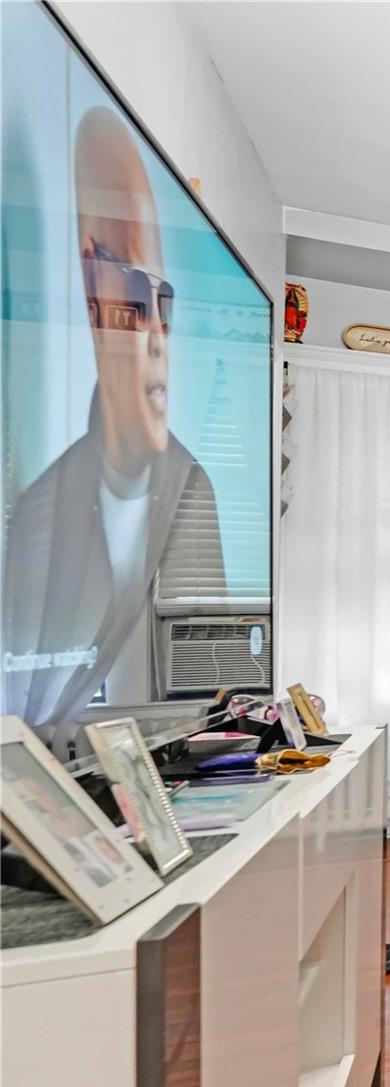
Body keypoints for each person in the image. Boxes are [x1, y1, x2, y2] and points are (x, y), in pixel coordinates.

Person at [3, 106, 223, 728]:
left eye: (166, 305)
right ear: (91, 288)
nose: (157, 336)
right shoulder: (38, 513)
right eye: (134, 297)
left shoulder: (193, 486)